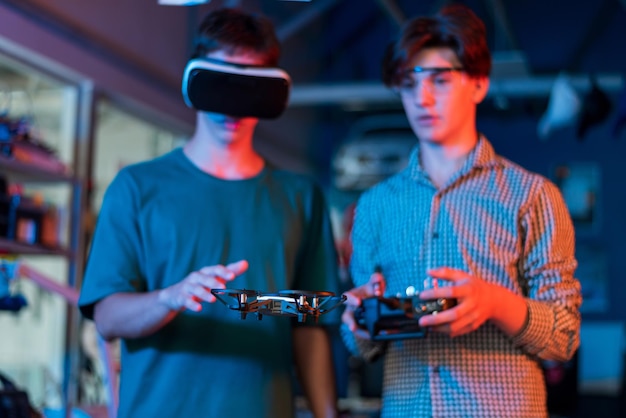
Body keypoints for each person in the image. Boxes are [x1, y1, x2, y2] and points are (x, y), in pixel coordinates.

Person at [78, 7, 339, 418]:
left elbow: (308, 321)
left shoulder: (301, 196)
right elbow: (107, 318)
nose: (230, 106)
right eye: (220, 83)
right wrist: (172, 298)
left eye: (246, 87)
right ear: (195, 80)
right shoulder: (138, 188)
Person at [340, 4, 582, 418]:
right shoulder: (374, 206)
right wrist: (359, 320)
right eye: (409, 83)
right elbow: (363, 345)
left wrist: (493, 303)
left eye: (440, 79)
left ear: (479, 83)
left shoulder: (532, 196)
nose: (423, 98)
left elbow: (563, 335)